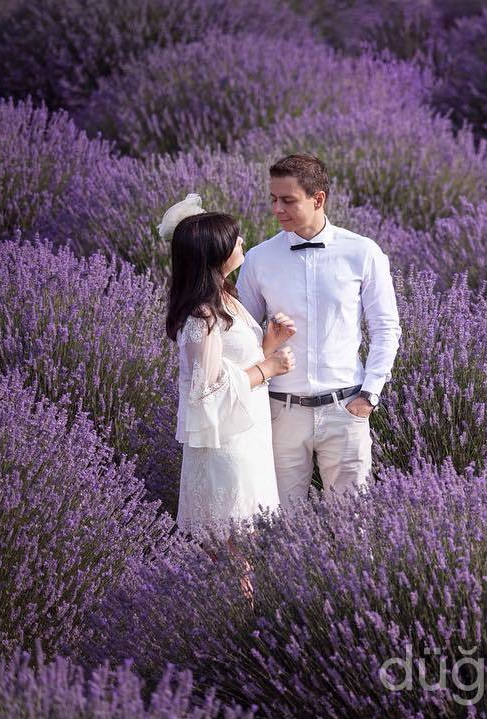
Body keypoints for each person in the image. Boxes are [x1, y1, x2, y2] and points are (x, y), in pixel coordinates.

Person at [236, 154, 402, 506]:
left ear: (318, 199)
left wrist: (369, 396)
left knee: (353, 526)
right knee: (277, 525)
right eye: (273, 199)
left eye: (288, 200)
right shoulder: (258, 259)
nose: (277, 209)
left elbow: (387, 329)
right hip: (280, 413)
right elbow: (242, 337)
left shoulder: (363, 253)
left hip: (345, 410)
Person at [162, 194, 296, 550]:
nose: (241, 241)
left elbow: (232, 366)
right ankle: (237, 607)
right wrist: (269, 368)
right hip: (227, 442)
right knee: (232, 544)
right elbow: (206, 393)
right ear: (213, 253)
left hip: (247, 433)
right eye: (232, 239)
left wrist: (268, 343)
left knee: (243, 540)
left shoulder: (225, 296)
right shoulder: (201, 315)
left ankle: (239, 605)